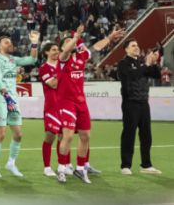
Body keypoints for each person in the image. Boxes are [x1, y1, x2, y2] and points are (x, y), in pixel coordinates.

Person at [56, 25, 121, 184]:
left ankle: (80, 169)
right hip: (67, 102)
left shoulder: (81, 56)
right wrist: (76, 37)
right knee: (68, 136)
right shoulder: (63, 59)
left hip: (81, 102)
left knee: (85, 136)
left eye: (72, 41)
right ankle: (61, 168)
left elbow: (96, 47)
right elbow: (67, 50)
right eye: (68, 42)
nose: (71, 43)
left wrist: (110, 38)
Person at [0, 31, 38, 178]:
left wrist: (34, 43)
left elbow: (32, 60)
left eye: (10, 42)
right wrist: (6, 96)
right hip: (0, 99)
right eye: (6, 42)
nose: (10, 44)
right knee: (1, 133)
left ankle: (11, 163)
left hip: (13, 99)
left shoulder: (13, 60)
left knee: (18, 134)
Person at [117, 39, 163, 175]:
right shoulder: (123, 64)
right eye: (133, 45)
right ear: (126, 49)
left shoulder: (141, 63)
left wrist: (153, 63)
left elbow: (157, 75)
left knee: (146, 135)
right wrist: (146, 64)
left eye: (137, 45)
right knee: (129, 134)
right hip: (130, 103)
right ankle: (125, 165)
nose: (136, 47)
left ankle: (146, 165)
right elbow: (133, 76)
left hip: (144, 103)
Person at [37, 41, 63, 177]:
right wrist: (62, 72)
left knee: (63, 137)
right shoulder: (44, 68)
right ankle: (47, 167)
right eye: (53, 49)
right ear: (46, 52)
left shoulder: (61, 66)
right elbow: (53, 84)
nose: (56, 52)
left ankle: (61, 166)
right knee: (50, 136)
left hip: (64, 105)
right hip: (52, 106)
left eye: (58, 50)